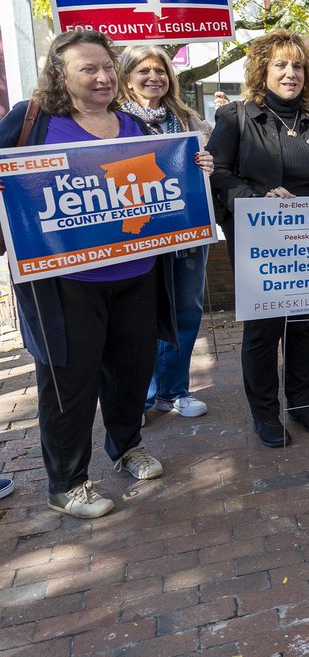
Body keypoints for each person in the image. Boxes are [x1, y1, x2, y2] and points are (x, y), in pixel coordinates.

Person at [0, 29, 192, 518]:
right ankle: (68, 482)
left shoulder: (132, 124)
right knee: (69, 381)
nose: (104, 76)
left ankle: (127, 447)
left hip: (137, 274)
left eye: (108, 66)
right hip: (67, 283)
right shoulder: (31, 121)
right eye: (89, 69)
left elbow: (165, 181)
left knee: (131, 370)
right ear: (60, 76)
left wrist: (197, 169)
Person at [208, 29, 309, 448]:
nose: (291, 74)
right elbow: (218, 174)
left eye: (298, 66)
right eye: (281, 65)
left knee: (304, 326)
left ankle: (301, 402)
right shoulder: (236, 117)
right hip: (262, 243)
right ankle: (266, 414)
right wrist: (257, 197)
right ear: (262, 71)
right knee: (265, 330)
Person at [118, 45, 212, 420]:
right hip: (134, 237)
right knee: (137, 317)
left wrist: (209, 163)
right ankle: (139, 396)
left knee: (186, 311)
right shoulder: (112, 121)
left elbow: (209, 172)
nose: (153, 77)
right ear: (126, 76)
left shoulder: (190, 121)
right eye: (143, 70)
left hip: (187, 235)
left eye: (160, 70)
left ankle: (174, 390)